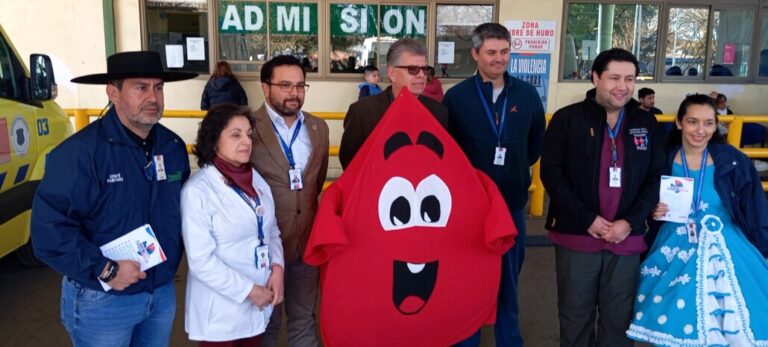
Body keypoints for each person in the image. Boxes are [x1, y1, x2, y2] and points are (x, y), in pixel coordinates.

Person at [30, 51, 196, 346]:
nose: (153, 97)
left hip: (160, 292)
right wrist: (105, 270)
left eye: (158, 87)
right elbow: (48, 230)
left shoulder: (171, 147)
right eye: (140, 87)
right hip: (102, 298)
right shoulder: (80, 153)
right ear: (113, 92)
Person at [540, 48, 666, 347]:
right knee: (575, 314)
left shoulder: (646, 123)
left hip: (627, 237)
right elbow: (552, 176)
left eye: (630, 78)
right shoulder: (566, 119)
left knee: (619, 318)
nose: (622, 86)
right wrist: (587, 219)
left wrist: (629, 221)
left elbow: (655, 177)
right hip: (577, 234)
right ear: (596, 77)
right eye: (614, 78)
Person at [627, 94, 768, 346]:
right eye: (693, 122)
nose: (700, 130)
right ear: (680, 123)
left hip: (729, 243)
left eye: (708, 123)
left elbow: (755, 207)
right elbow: (640, 195)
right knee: (676, 315)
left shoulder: (733, 161)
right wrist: (652, 210)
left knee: (734, 314)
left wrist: (763, 245)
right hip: (673, 243)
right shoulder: (661, 159)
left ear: (716, 125)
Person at [444, 22, 546, 347]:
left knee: (509, 282)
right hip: (470, 211)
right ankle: (466, 339)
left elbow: (534, 145)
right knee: (469, 280)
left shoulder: (527, 94)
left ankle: (509, 340)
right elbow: (449, 151)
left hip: (511, 206)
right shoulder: (457, 97)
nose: (499, 58)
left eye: (504, 51)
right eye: (491, 52)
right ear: (475, 54)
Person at [182, 103, 285, 346]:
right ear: (214, 140)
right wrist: (250, 291)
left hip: (257, 304)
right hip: (221, 312)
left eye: (249, 134)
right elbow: (200, 261)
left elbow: (271, 230)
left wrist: (278, 268)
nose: (246, 142)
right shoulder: (198, 191)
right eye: (235, 135)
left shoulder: (255, 179)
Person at [251, 55, 329, 347]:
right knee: (266, 323)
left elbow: (314, 184)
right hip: (264, 250)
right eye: (285, 85)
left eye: (299, 85)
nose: (294, 93)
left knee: (304, 319)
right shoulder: (247, 127)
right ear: (265, 87)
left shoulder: (319, 129)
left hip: (306, 244)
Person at [339, 38, 449, 170]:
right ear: (392, 73)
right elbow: (350, 162)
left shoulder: (438, 113)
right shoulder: (362, 112)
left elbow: (442, 162)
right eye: (413, 69)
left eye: (425, 69)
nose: (421, 75)